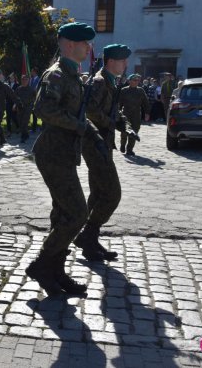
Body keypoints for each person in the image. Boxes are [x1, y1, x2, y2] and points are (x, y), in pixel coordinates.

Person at [25, 22, 105, 296]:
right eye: (85, 43)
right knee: (77, 213)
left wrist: (93, 134)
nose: (89, 48)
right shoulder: (57, 75)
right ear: (70, 44)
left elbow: (79, 116)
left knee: (62, 215)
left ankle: (55, 271)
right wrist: (79, 126)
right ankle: (41, 265)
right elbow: (43, 108)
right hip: (53, 154)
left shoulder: (73, 75)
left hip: (65, 154)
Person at [74, 44, 135, 262]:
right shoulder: (100, 82)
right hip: (95, 144)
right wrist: (110, 122)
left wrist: (124, 125)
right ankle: (86, 235)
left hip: (103, 143)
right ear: (111, 62)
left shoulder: (110, 81)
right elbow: (90, 110)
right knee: (112, 194)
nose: (125, 64)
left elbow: (113, 111)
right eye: (122, 60)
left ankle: (89, 242)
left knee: (99, 194)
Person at [118, 73, 150, 156]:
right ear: (130, 81)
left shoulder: (140, 90)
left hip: (136, 114)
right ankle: (122, 144)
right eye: (134, 80)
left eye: (137, 80)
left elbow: (145, 102)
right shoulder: (124, 90)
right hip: (126, 114)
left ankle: (129, 149)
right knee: (125, 131)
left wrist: (147, 113)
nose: (136, 82)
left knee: (135, 131)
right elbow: (119, 103)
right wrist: (118, 112)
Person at [0, 69, 21, 148]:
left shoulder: (4, 85)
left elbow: (12, 94)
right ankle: (2, 139)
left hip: (1, 108)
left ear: (1, 76)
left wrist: (18, 103)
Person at [15, 74, 37, 143]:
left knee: (25, 121)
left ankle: (23, 136)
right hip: (20, 107)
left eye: (25, 80)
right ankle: (26, 134)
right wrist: (15, 105)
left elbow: (35, 98)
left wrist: (32, 105)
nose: (24, 81)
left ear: (28, 81)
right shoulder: (19, 89)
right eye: (23, 79)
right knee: (20, 121)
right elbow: (15, 97)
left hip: (28, 107)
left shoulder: (31, 89)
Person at [29, 66, 40, 132]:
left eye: (32, 71)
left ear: (35, 72)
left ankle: (34, 128)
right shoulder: (31, 79)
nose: (31, 72)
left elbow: (37, 89)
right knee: (32, 113)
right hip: (30, 99)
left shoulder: (38, 80)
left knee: (35, 114)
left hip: (35, 99)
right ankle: (33, 127)